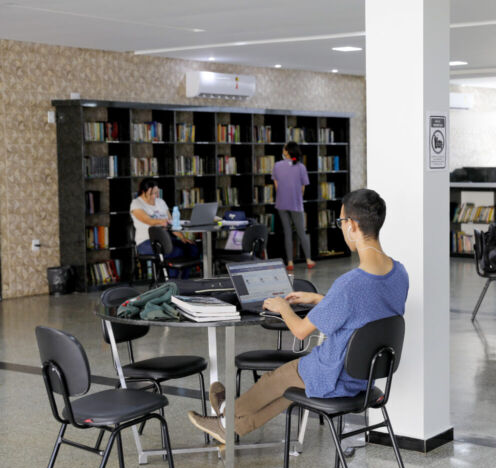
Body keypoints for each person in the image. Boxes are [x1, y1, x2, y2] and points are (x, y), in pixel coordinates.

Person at [187, 189, 408, 443]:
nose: (340, 228)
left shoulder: (350, 284)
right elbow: (368, 310)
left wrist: (283, 307)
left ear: (353, 226)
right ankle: (234, 427)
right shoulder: (399, 272)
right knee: (287, 390)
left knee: (277, 378)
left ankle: (227, 412)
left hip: (334, 375)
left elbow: (301, 331)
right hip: (364, 376)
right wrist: (320, 299)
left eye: (340, 222)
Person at [129, 178, 198, 278]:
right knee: (176, 252)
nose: (155, 196)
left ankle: (184, 281)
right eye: (152, 193)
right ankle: (173, 283)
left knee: (192, 248)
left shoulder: (160, 202)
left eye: (157, 193)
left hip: (166, 239)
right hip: (147, 242)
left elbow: (172, 223)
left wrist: (182, 238)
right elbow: (148, 221)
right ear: (144, 192)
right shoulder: (136, 204)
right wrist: (162, 222)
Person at [273, 141, 315, 270]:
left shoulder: (277, 165)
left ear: (286, 152)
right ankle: (308, 260)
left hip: (281, 203)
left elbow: (276, 186)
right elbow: (303, 188)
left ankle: (290, 263)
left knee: (287, 233)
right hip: (296, 204)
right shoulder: (301, 167)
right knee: (301, 232)